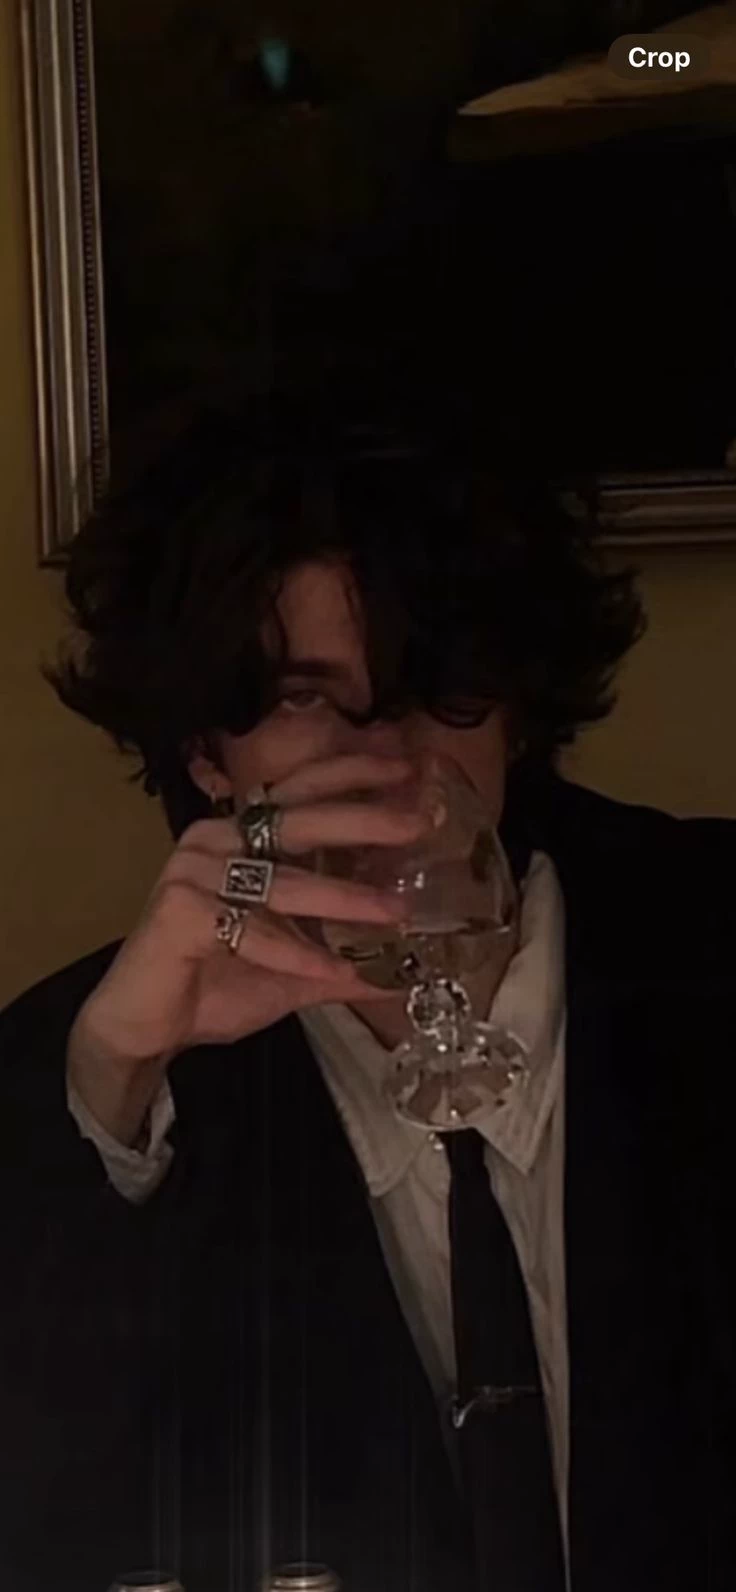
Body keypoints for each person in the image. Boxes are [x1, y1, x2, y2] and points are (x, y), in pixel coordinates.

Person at [0, 409, 733, 1592]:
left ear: (516, 708)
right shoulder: (92, 1058)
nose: (386, 753)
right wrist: (114, 1089)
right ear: (206, 753)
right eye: (305, 696)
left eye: (435, 682)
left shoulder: (703, 933)